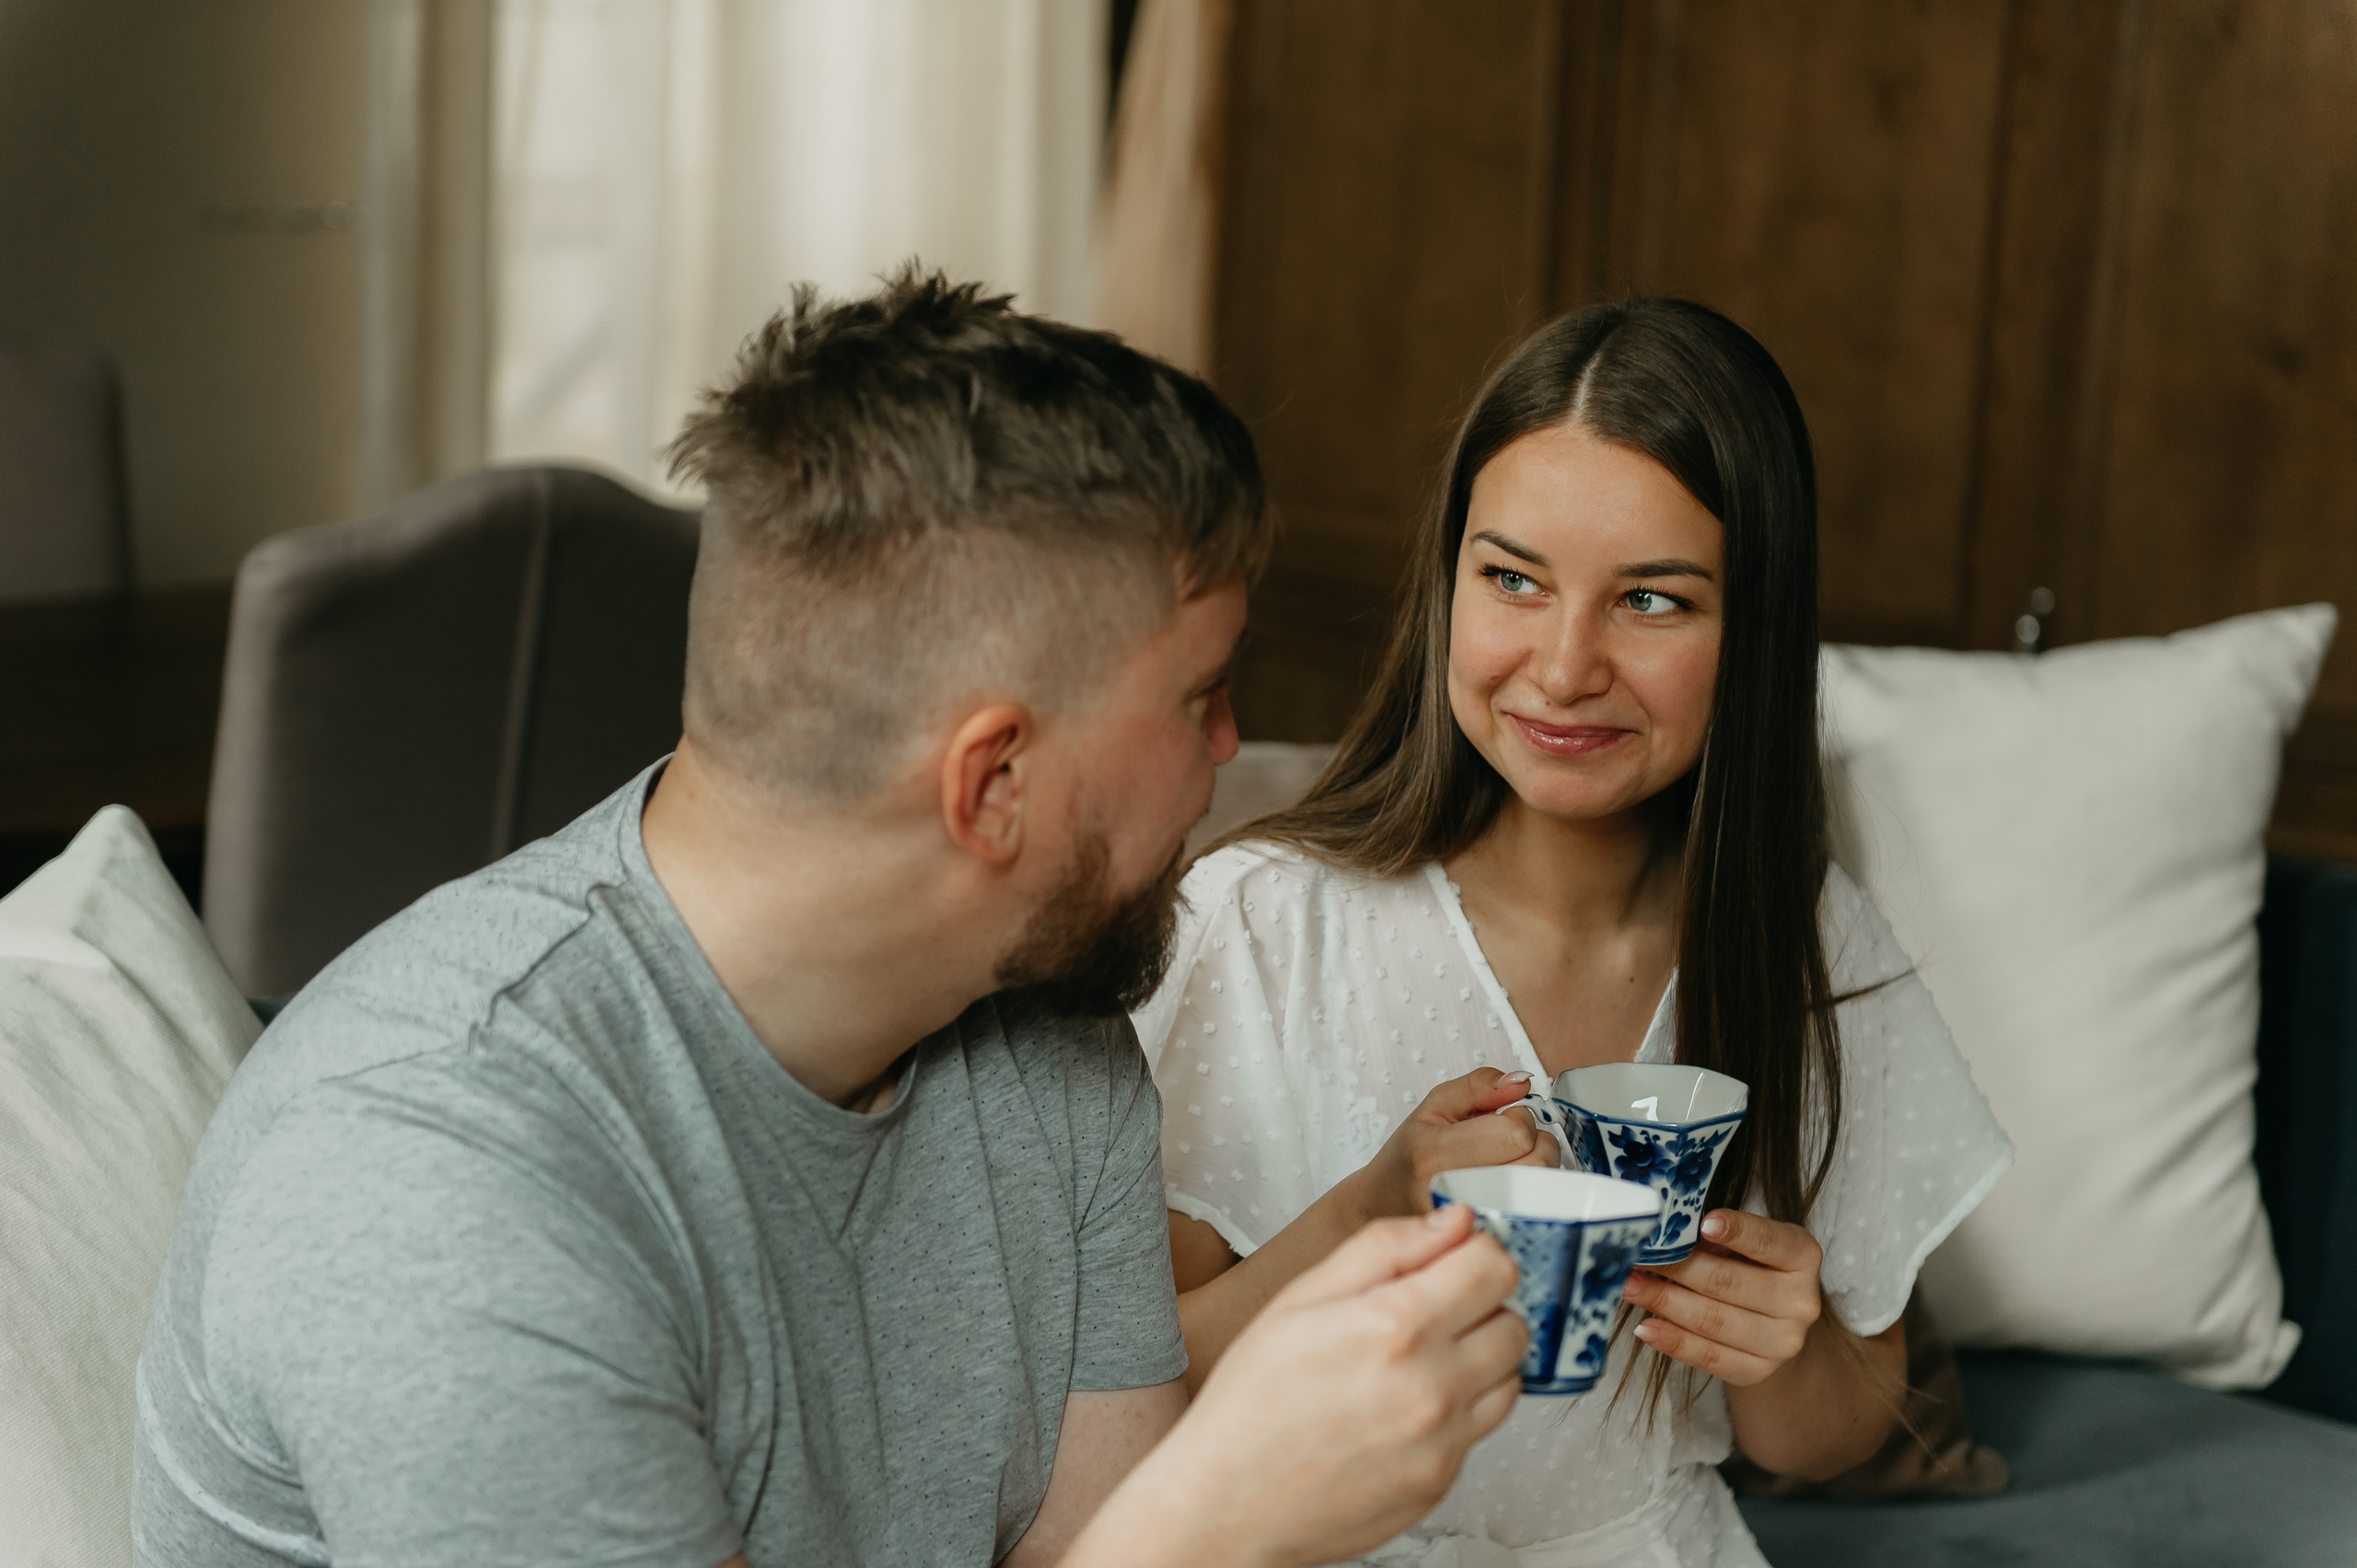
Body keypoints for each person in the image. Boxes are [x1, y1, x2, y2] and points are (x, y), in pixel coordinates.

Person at [132, 270, 1529, 1568]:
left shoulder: (1045, 1015)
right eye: (1200, 694)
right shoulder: (441, 1177)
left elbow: (1079, 1540)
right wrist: (1220, 1522)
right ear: (992, 782)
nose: (1233, 747)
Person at [1133, 297, 2014, 1566]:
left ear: (1751, 631)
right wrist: (1369, 1213)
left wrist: (1785, 1343)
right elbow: (1123, 1406)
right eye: (1512, 580)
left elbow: (1818, 1439)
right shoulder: (1262, 927)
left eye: (1651, 602)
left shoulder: (1811, 943)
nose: (1561, 667)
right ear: (1447, 584)